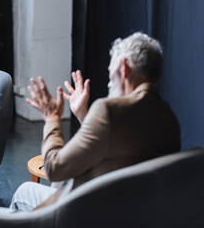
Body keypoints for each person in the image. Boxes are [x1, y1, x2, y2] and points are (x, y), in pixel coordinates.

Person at [9, 32, 181, 211]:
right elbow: (116, 149)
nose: (108, 84)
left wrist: (52, 118)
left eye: (110, 73)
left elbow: (54, 169)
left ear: (123, 68)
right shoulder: (169, 119)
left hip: (90, 214)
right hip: (133, 214)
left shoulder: (108, 110)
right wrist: (85, 115)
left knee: (24, 191)